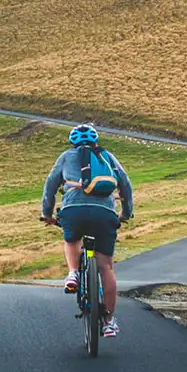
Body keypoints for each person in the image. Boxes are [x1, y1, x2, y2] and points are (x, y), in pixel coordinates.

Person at [40, 124, 133, 338]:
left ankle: (73, 273)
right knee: (106, 268)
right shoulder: (107, 157)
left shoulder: (66, 157)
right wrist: (126, 214)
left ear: (72, 143)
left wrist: (47, 214)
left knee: (71, 239)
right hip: (104, 213)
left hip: (73, 210)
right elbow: (125, 186)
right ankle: (109, 321)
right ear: (96, 141)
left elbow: (50, 187)